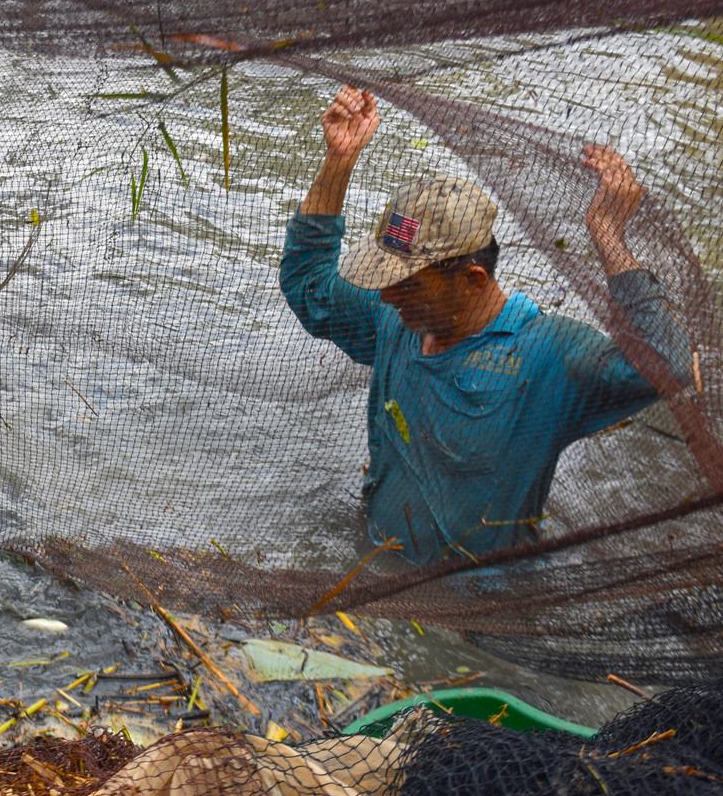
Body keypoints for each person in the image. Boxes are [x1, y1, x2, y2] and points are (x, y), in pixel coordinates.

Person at [279, 85, 693, 567]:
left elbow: (670, 365)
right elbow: (308, 283)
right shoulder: (393, 321)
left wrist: (606, 234)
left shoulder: (546, 357)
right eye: (384, 279)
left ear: (473, 279)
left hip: (477, 604)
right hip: (376, 568)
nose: (387, 296)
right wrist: (339, 162)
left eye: (407, 284)